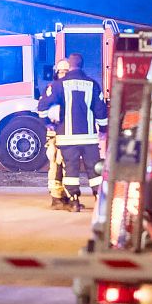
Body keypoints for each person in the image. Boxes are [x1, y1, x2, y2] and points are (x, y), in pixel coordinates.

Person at [37, 53, 108, 212]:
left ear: (69, 66)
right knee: (94, 169)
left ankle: (74, 200)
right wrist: (103, 130)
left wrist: (47, 124)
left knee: (71, 170)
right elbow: (101, 110)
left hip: (66, 137)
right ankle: (99, 199)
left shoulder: (57, 86)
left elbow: (42, 107)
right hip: (89, 137)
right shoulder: (92, 84)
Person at [39, 59, 70, 210]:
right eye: (61, 72)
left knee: (66, 164)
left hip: (67, 130)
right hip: (55, 132)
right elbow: (42, 107)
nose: (63, 74)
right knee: (56, 163)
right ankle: (56, 197)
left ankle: (64, 196)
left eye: (66, 72)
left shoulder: (67, 87)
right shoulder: (53, 88)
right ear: (56, 73)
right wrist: (48, 124)